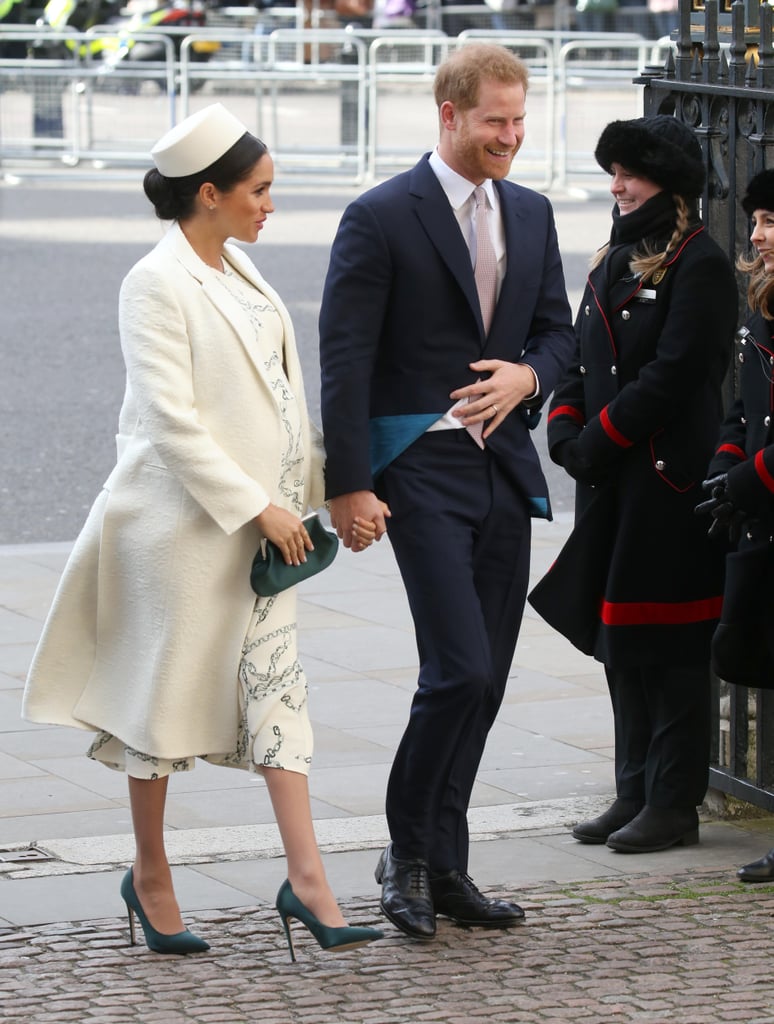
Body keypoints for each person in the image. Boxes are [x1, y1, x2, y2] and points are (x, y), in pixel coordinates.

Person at [21, 103, 382, 960]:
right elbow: (170, 420)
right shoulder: (154, 281)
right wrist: (254, 504)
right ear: (210, 193)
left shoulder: (244, 272)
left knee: (279, 700)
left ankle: (308, 882)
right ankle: (150, 875)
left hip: (266, 539)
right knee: (160, 715)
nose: (269, 206)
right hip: (179, 538)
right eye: (258, 191)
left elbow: (284, 401)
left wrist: (333, 492)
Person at [318, 43, 576, 940]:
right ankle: (407, 855)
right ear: (449, 114)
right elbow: (345, 359)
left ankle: (450, 863)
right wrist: (348, 484)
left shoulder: (534, 214)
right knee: (457, 668)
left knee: (489, 678)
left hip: (504, 465)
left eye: (518, 119)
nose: (510, 135)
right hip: (419, 467)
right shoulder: (381, 215)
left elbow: (559, 333)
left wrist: (527, 379)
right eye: (494, 120)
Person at [533, 115, 738, 853]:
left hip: (665, 482)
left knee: (672, 647)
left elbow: (677, 374)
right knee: (622, 645)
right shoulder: (613, 258)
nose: (616, 185)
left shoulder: (700, 262)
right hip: (612, 480)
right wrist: (563, 426)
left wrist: (599, 438)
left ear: (669, 182)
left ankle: (672, 802)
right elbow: (584, 358)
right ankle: (631, 790)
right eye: (613, 170)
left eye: (630, 172)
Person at [699, 168, 774, 883]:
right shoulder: (762, 309)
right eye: (755, 220)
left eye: (771, 221)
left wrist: (752, 479)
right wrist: (727, 468)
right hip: (763, 526)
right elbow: (742, 412)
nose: (755, 234)